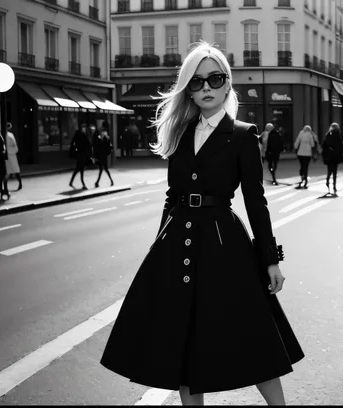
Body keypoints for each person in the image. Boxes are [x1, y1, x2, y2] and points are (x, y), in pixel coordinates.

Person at [99, 41, 304, 406]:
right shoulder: (178, 134)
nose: (206, 87)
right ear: (187, 90)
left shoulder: (243, 134)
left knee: (252, 337)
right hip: (176, 244)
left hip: (225, 247)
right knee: (182, 343)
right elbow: (171, 196)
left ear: (227, 85)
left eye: (214, 79)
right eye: (196, 82)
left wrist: (271, 259)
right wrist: (158, 246)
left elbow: (255, 202)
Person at [321, 122, 343, 195]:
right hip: (336, 155)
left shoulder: (328, 134)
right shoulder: (339, 135)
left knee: (329, 170)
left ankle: (328, 181)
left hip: (329, 155)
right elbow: (341, 145)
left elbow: (324, 145)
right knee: (335, 171)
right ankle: (334, 185)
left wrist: (324, 155)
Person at [69, 123, 92, 189]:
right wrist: (76, 149)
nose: (84, 129)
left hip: (82, 154)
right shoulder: (80, 135)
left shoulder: (82, 135)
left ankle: (74, 182)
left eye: (85, 128)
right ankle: (83, 184)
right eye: (83, 128)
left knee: (79, 169)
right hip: (81, 154)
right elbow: (74, 143)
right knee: (79, 169)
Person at [4, 122, 22, 191]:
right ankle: (20, 183)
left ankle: (5, 186)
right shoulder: (11, 135)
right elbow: (15, 145)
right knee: (15, 170)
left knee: (8, 171)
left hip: (8, 154)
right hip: (12, 154)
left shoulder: (6, 135)